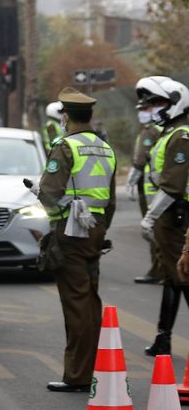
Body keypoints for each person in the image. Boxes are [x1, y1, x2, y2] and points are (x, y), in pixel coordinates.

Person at [38, 87, 116, 392]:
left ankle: (78, 375)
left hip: (70, 232)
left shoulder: (65, 147)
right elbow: (109, 201)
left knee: (76, 303)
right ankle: (93, 368)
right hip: (95, 229)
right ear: (91, 116)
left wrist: (59, 208)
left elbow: (49, 193)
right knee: (90, 300)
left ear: (66, 116)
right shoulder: (106, 148)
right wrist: (100, 229)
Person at [136, 76, 189, 356]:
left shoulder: (181, 135)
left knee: (182, 277)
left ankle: (163, 339)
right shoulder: (169, 132)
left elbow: (172, 184)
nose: (152, 108)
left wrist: (150, 217)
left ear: (176, 103)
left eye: (158, 102)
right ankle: (163, 339)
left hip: (177, 215)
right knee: (172, 277)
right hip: (172, 216)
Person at [127, 97, 163, 283]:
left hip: (151, 188)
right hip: (159, 187)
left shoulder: (150, 131)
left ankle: (159, 271)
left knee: (153, 228)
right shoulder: (162, 128)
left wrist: (132, 179)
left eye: (145, 108)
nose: (142, 112)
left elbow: (140, 160)